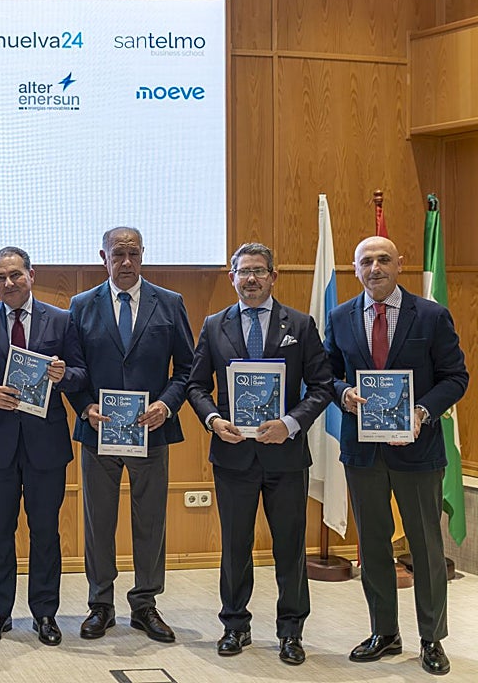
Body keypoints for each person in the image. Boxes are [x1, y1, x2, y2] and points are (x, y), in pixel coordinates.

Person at [324, 236, 468, 676]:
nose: (375, 268)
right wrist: (343, 393)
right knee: (371, 544)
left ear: (399, 264)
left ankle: (431, 638)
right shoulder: (340, 316)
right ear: (355, 269)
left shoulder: (431, 315)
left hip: (418, 450)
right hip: (363, 452)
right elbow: (328, 373)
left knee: (424, 546)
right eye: (366, 261)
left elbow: (455, 376)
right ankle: (384, 632)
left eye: (383, 259)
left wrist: (422, 412)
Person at [186, 242, 333, 666]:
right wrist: (214, 420)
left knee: (289, 548)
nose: (250, 279)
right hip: (232, 456)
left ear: (273, 276)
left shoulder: (300, 325)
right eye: (243, 271)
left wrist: (289, 424)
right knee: (235, 546)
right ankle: (235, 625)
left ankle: (291, 632)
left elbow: (322, 385)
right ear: (232, 277)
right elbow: (197, 386)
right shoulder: (215, 325)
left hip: (285, 457)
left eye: (258, 271)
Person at [0, 246, 86, 646]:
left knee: (45, 532)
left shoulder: (61, 320)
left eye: (15, 275)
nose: (8, 283)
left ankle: (45, 614)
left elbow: (81, 373)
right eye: (0, 277)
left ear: (31, 275)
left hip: (46, 445)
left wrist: (63, 374)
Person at [68, 227, 194, 643]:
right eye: (117, 254)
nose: (126, 262)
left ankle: (144, 605)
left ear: (143, 256)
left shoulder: (170, 303)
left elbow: (187, 369)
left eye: (133, 254)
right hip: (99, 433)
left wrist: (167, 404)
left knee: (151, 522)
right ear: (102, 256)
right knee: (98, 522)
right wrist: (85, 405)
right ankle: (100, 604)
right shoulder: (81, 305)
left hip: (151, 433)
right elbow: (74, 369)